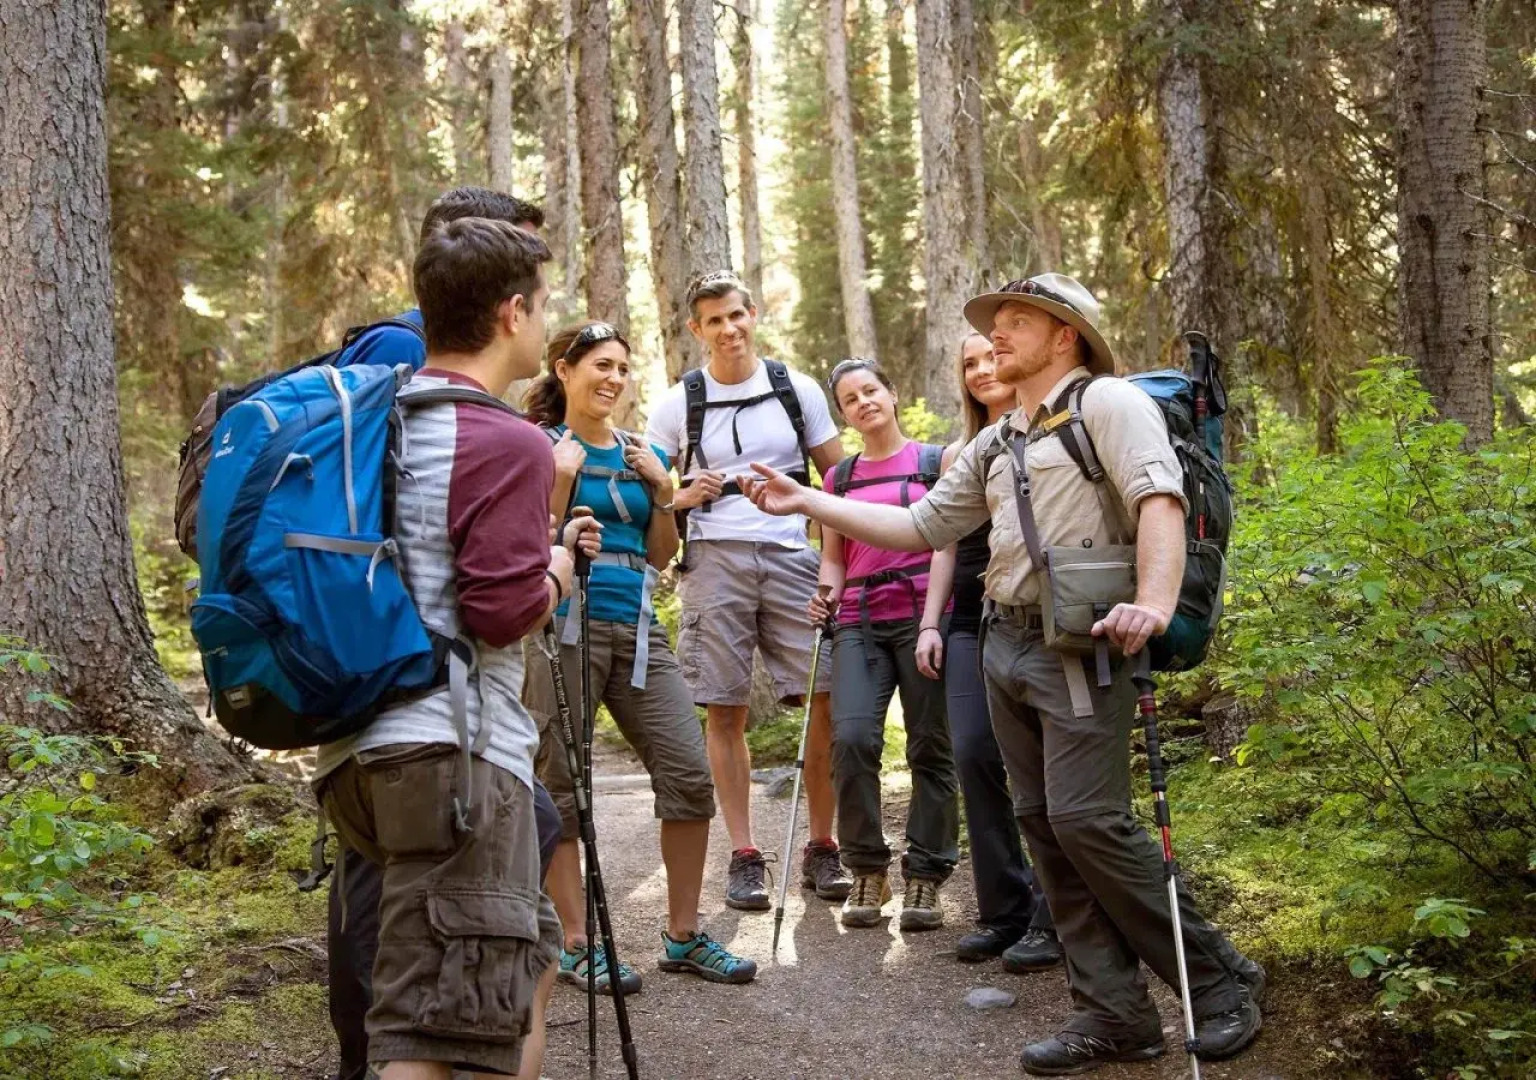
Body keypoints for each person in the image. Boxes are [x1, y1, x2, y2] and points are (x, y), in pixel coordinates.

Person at [739, 274, 1265, 1075]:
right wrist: (809, 502)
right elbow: (919, 524)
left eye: (1019, 321)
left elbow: (1158, 500)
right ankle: (1114, 1012)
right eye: (994, 324)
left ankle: (1222, 979)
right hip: (1005, 643)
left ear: (1067, 336)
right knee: (1047, 826)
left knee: (1091, 821)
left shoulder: (1109, 407)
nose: (997, 336)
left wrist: (1153, 606)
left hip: (1084, 647)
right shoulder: (997, 440)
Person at [320, 187, 566, 1080]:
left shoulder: (377, 419)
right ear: (512, 312)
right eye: (544, 306)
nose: (547, 324)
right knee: (430, 1031)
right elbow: (502, 610)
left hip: (360, 752)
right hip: (454, 757)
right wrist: (556, 572)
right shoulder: (506, 440)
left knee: (529, 954)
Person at [522, 321, 758, 988]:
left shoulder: (639, 450)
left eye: (623, 368)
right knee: (561, 782)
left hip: (638, 626)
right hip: (561, 624)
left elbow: (660, 554)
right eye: (600, 365)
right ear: (563, 370)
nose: (614, 379)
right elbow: (528, 542)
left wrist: (661, 492)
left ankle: (682, 935)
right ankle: (574, 941)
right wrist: (559, 488)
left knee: (687, 772)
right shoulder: (539, 446)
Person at [644, 271, 852, 910]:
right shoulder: (678, 403)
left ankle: (823, 845)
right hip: (714, 560)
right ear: (696, 329)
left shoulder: (798, 389)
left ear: (753, 313)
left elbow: (838, 482)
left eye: (738, 316)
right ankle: (745, 856)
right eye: (715, 321)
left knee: (826, 697)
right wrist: (682, 494)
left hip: (793, 555)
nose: (730, 330)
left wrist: (830, 565)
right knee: (724, 707)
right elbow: (650, 490)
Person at [814, 358, 959, 931]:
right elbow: (834, 558)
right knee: (851, 739)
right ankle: (867, 868)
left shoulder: (934, 462)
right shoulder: (838, 480)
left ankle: (926, 876)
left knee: (930, 745)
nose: (863, 402)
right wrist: (824, 596)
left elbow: (946, 542)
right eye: (850, 399)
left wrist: (932, 621)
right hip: (858, 621)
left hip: (925, 618)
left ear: (893, 393)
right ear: (843, 415)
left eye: (871, 389)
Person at [946, 333, 1062, 971]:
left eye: (991, 356)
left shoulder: (1047, 437)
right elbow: (938, 540)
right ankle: (1004, 911)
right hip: (968, 619)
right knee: (973, 754)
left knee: (1042, 773)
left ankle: (1054, 915)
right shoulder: (960, 452)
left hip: (1036, 618)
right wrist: (935, 623)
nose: (982, 369)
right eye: (969, 363)